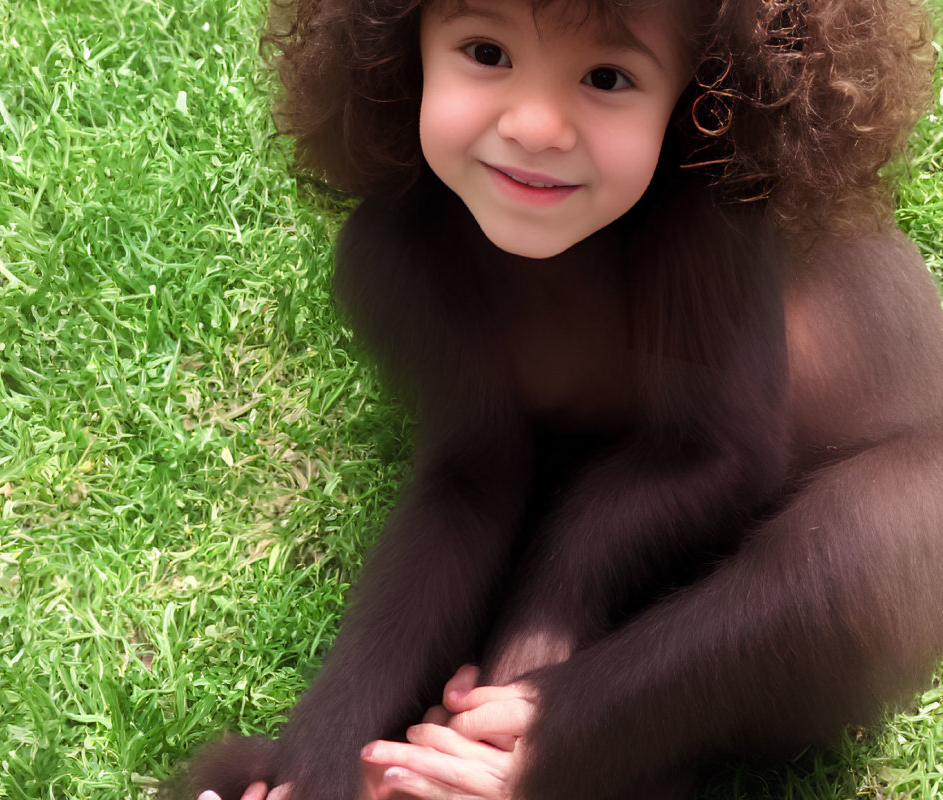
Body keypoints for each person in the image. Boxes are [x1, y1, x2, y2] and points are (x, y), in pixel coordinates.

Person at [184, 0, 943, 798]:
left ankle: (556, 757)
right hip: (629, 468)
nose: (537, 124)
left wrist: (555, 690)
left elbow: (720, 455)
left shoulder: (711, 207)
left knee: (887, 534)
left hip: (831, 498)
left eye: (605, 76)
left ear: (702, 96)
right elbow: (470, 479)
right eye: (486, 51)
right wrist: (321, 754)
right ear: (397, 47)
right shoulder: (399, 249)